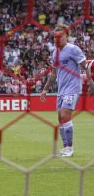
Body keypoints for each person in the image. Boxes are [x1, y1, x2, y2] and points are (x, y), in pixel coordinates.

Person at [40, 24, 89, 157]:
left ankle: (70, 148)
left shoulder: (73, 49)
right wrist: (45, 89)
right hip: (61, 90)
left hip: (73, 88)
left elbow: (86, 66)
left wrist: (90, 82)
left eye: (60, 36)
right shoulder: (55, 53)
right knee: (60, 118)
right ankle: (65, 147)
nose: (57, 39)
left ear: (67, 36)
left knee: (65, 115)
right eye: (55, 37)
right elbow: (54, 74)